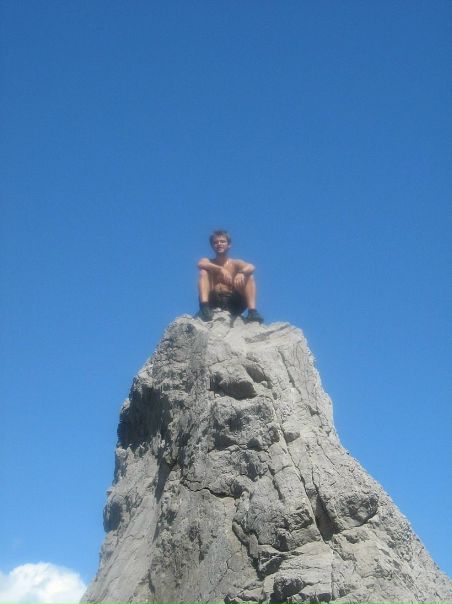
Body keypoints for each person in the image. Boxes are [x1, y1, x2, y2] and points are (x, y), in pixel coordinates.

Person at [197, 230, 264, 322]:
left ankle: (252, 312)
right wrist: (220, 269)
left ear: (229, 245)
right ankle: (204, 308)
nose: (219, 244)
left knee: (249, 276)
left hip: (234, 303)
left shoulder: (236, 263)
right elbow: (200, 264)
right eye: (216, 242)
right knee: (203, 272)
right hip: (213, 301)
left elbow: (252, 267)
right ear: (212, 246)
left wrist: (241, 272)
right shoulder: (208, 261)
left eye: (222, 241)